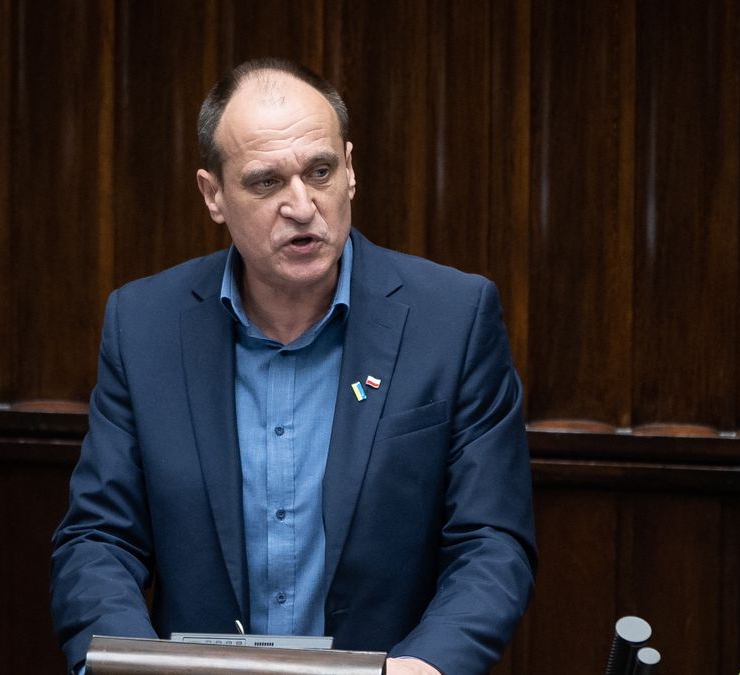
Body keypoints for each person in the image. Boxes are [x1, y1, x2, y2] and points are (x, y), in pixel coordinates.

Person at [50, 58, 536, 675]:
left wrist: (429, 664)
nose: (302, 205)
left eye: (321, 171)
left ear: (351, 173)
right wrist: (127, 663)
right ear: (214, 195)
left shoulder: (453, 319)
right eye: (265, 182)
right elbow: (99, 540)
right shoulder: (144, 325)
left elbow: (491, 541)